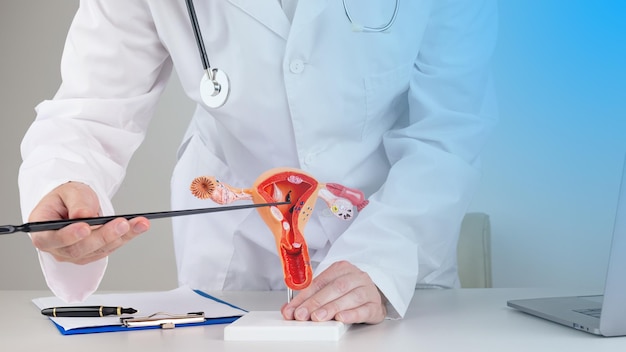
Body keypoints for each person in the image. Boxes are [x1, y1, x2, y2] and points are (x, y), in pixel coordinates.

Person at [19, 1, 497, 325]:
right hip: (237, 251)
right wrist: (64, 183)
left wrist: (383, 258)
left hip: (390, 232)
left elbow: (451, 125)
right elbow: (90, 107)